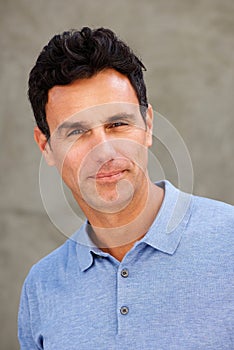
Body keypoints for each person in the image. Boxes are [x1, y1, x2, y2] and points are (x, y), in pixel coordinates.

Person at [18, 27, 233, 350]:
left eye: (117, 124)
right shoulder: (40, 287)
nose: (103, 152)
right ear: (46, 146)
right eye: (77, 132)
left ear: (148, 126)